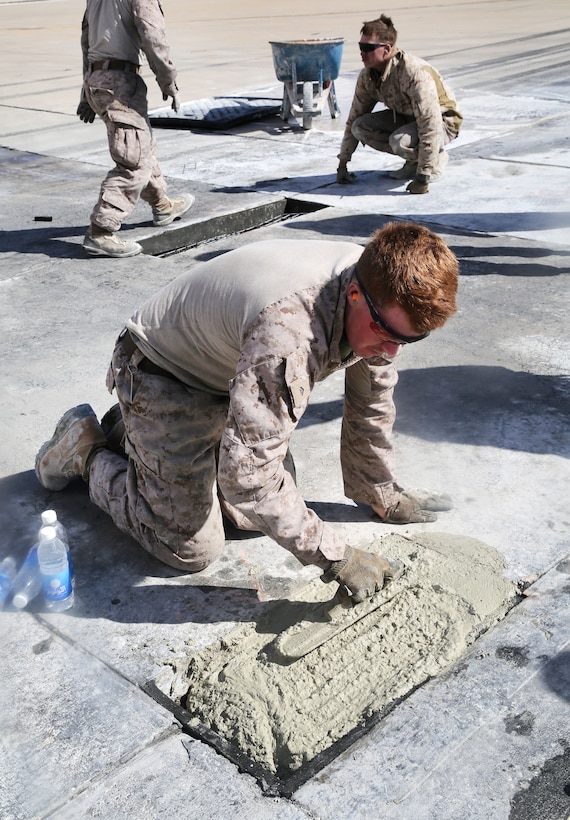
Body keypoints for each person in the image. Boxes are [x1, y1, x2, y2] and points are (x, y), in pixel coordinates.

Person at [35, 222, 458, 604]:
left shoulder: (383, 284)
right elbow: (249, 479)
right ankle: (87, 445)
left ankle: (139, 438)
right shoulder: (290, 334)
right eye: (387, 334)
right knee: (189, 547)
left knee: (253, 518)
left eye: (409, 340)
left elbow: (372, 401)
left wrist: (380, 491)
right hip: (161, 372)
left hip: (230, 372)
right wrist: (336, 556)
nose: (392, 351)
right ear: (354, 296)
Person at [77, 0, 194, 258]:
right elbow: (153, 36)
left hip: (100, 80)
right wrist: (168, 81)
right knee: (134, 161)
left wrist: (86, 92)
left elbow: (87, 39)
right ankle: (101, 230)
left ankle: (162, 205)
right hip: (119, 83)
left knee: (142, 148)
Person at [337, 15, 463, 195]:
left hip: (443, 122)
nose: (362, 53)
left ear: (387, 49)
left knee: (399, 142)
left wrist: (423, 177)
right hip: (407, 118)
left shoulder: (413, 73)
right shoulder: (368, 76)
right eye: (360, 46)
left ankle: (434, 159)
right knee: (360, 127)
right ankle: (413, 161)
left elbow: (430, 123)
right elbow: (354, 117)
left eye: (368, 48)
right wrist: (343, 162)